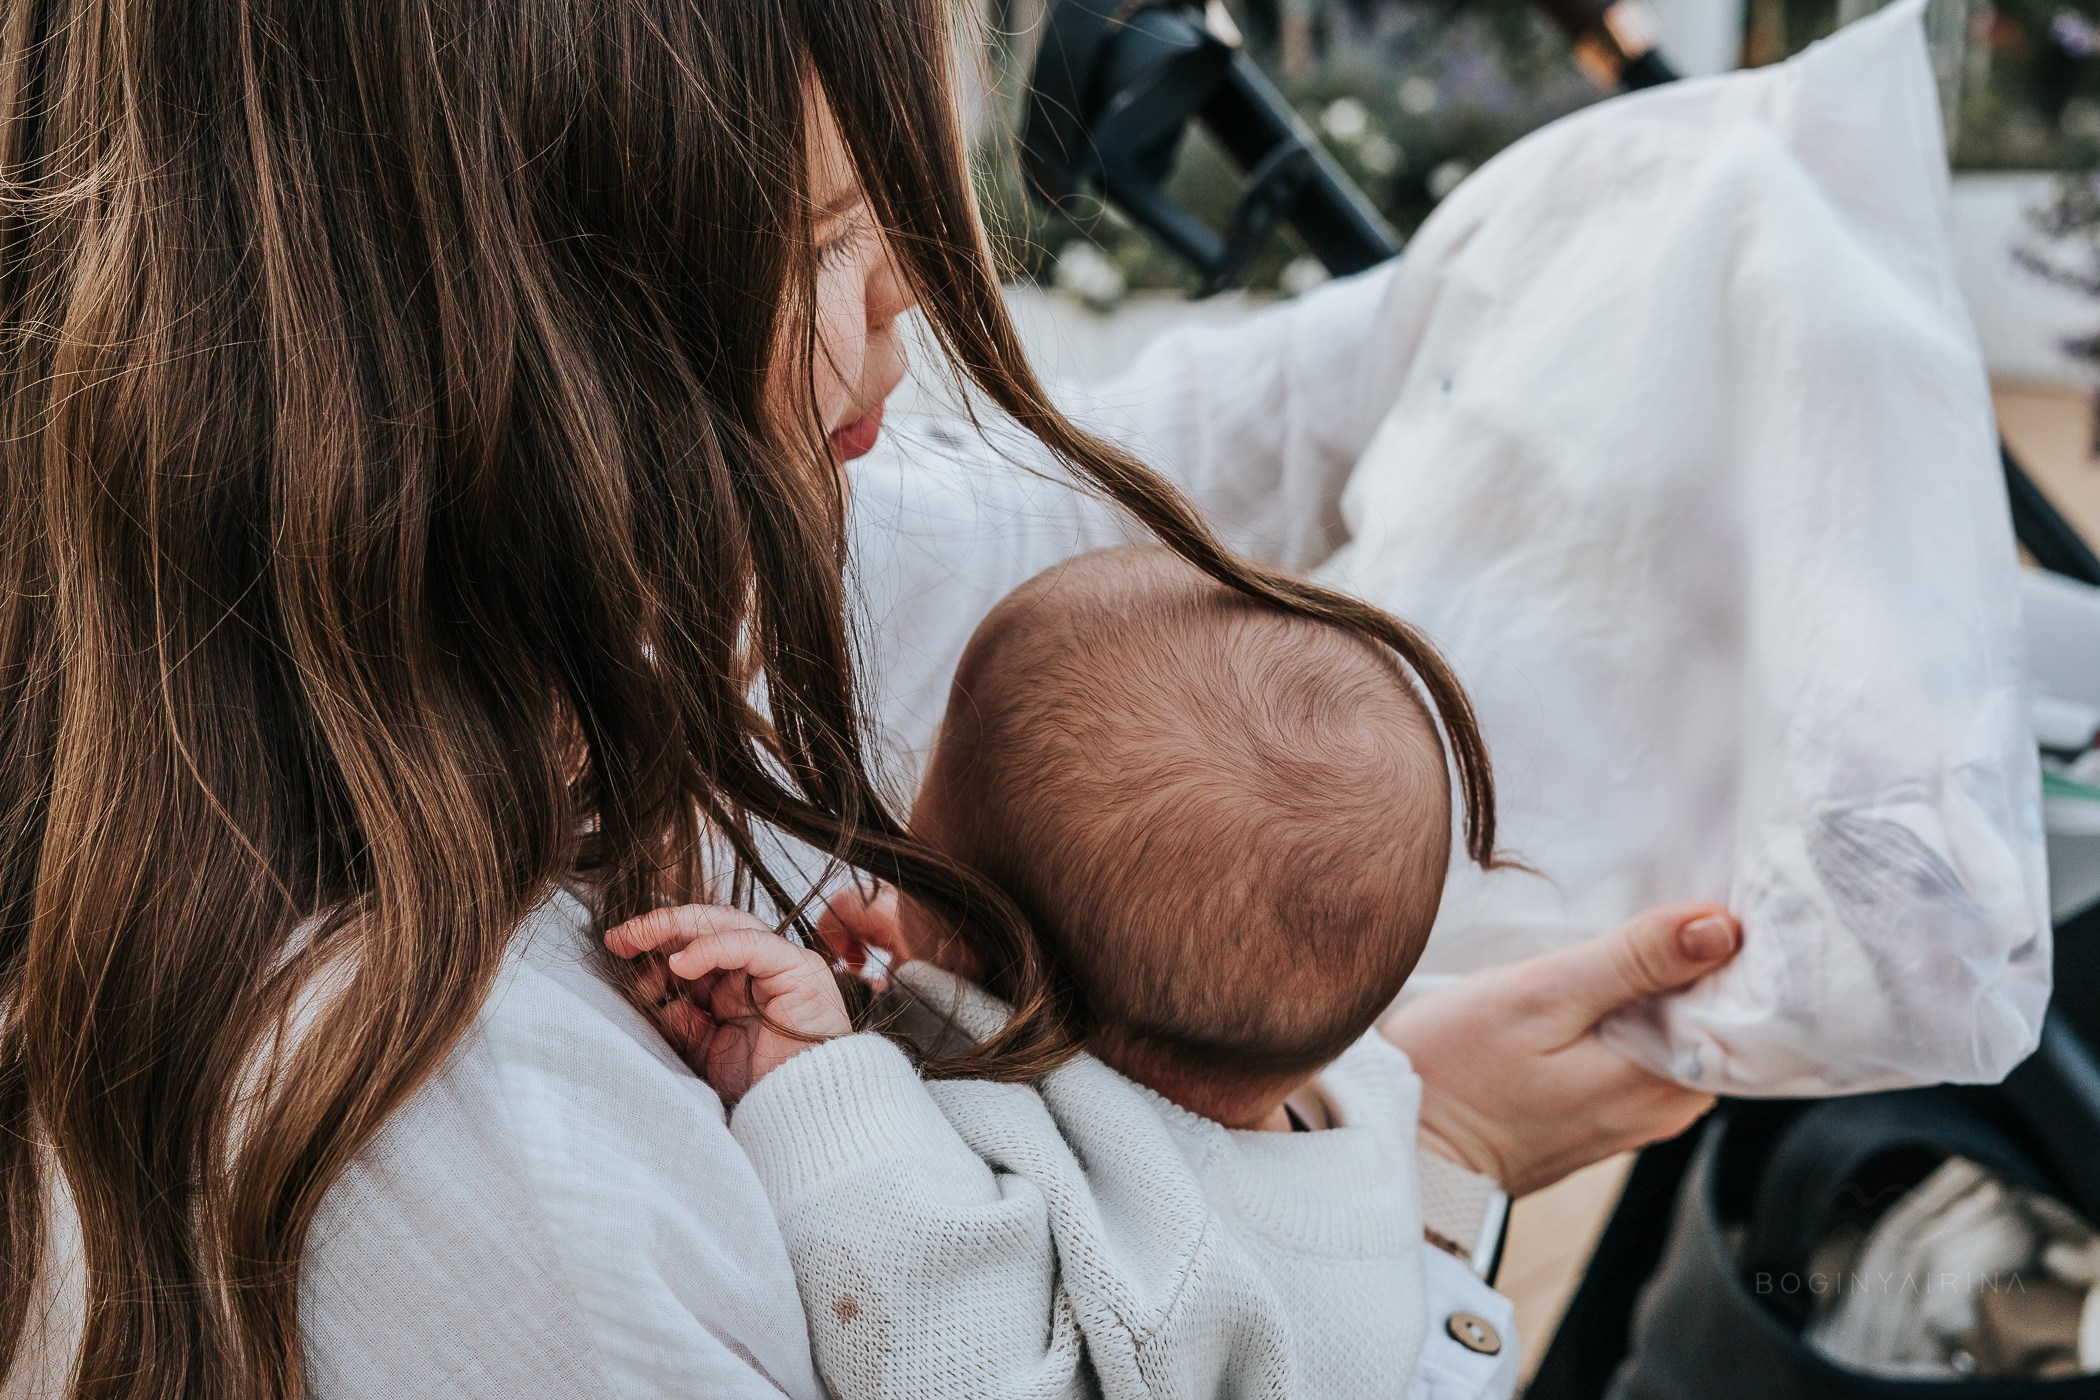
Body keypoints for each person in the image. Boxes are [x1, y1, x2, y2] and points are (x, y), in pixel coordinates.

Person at [0, 2, 1736, 1397]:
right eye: (835, 232)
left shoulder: (611, 639)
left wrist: (1334, 1141)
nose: (919, 286)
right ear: (535, 323)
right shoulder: (518, 1183)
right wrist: (1410, 1178)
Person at [611, 543, 1744, 1397]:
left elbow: (942, 1342)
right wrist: (933, 994)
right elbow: (1076, 1062)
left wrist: (813, 1081)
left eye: (922, 835)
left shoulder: (1199, 1274)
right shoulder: (1323, 1103)